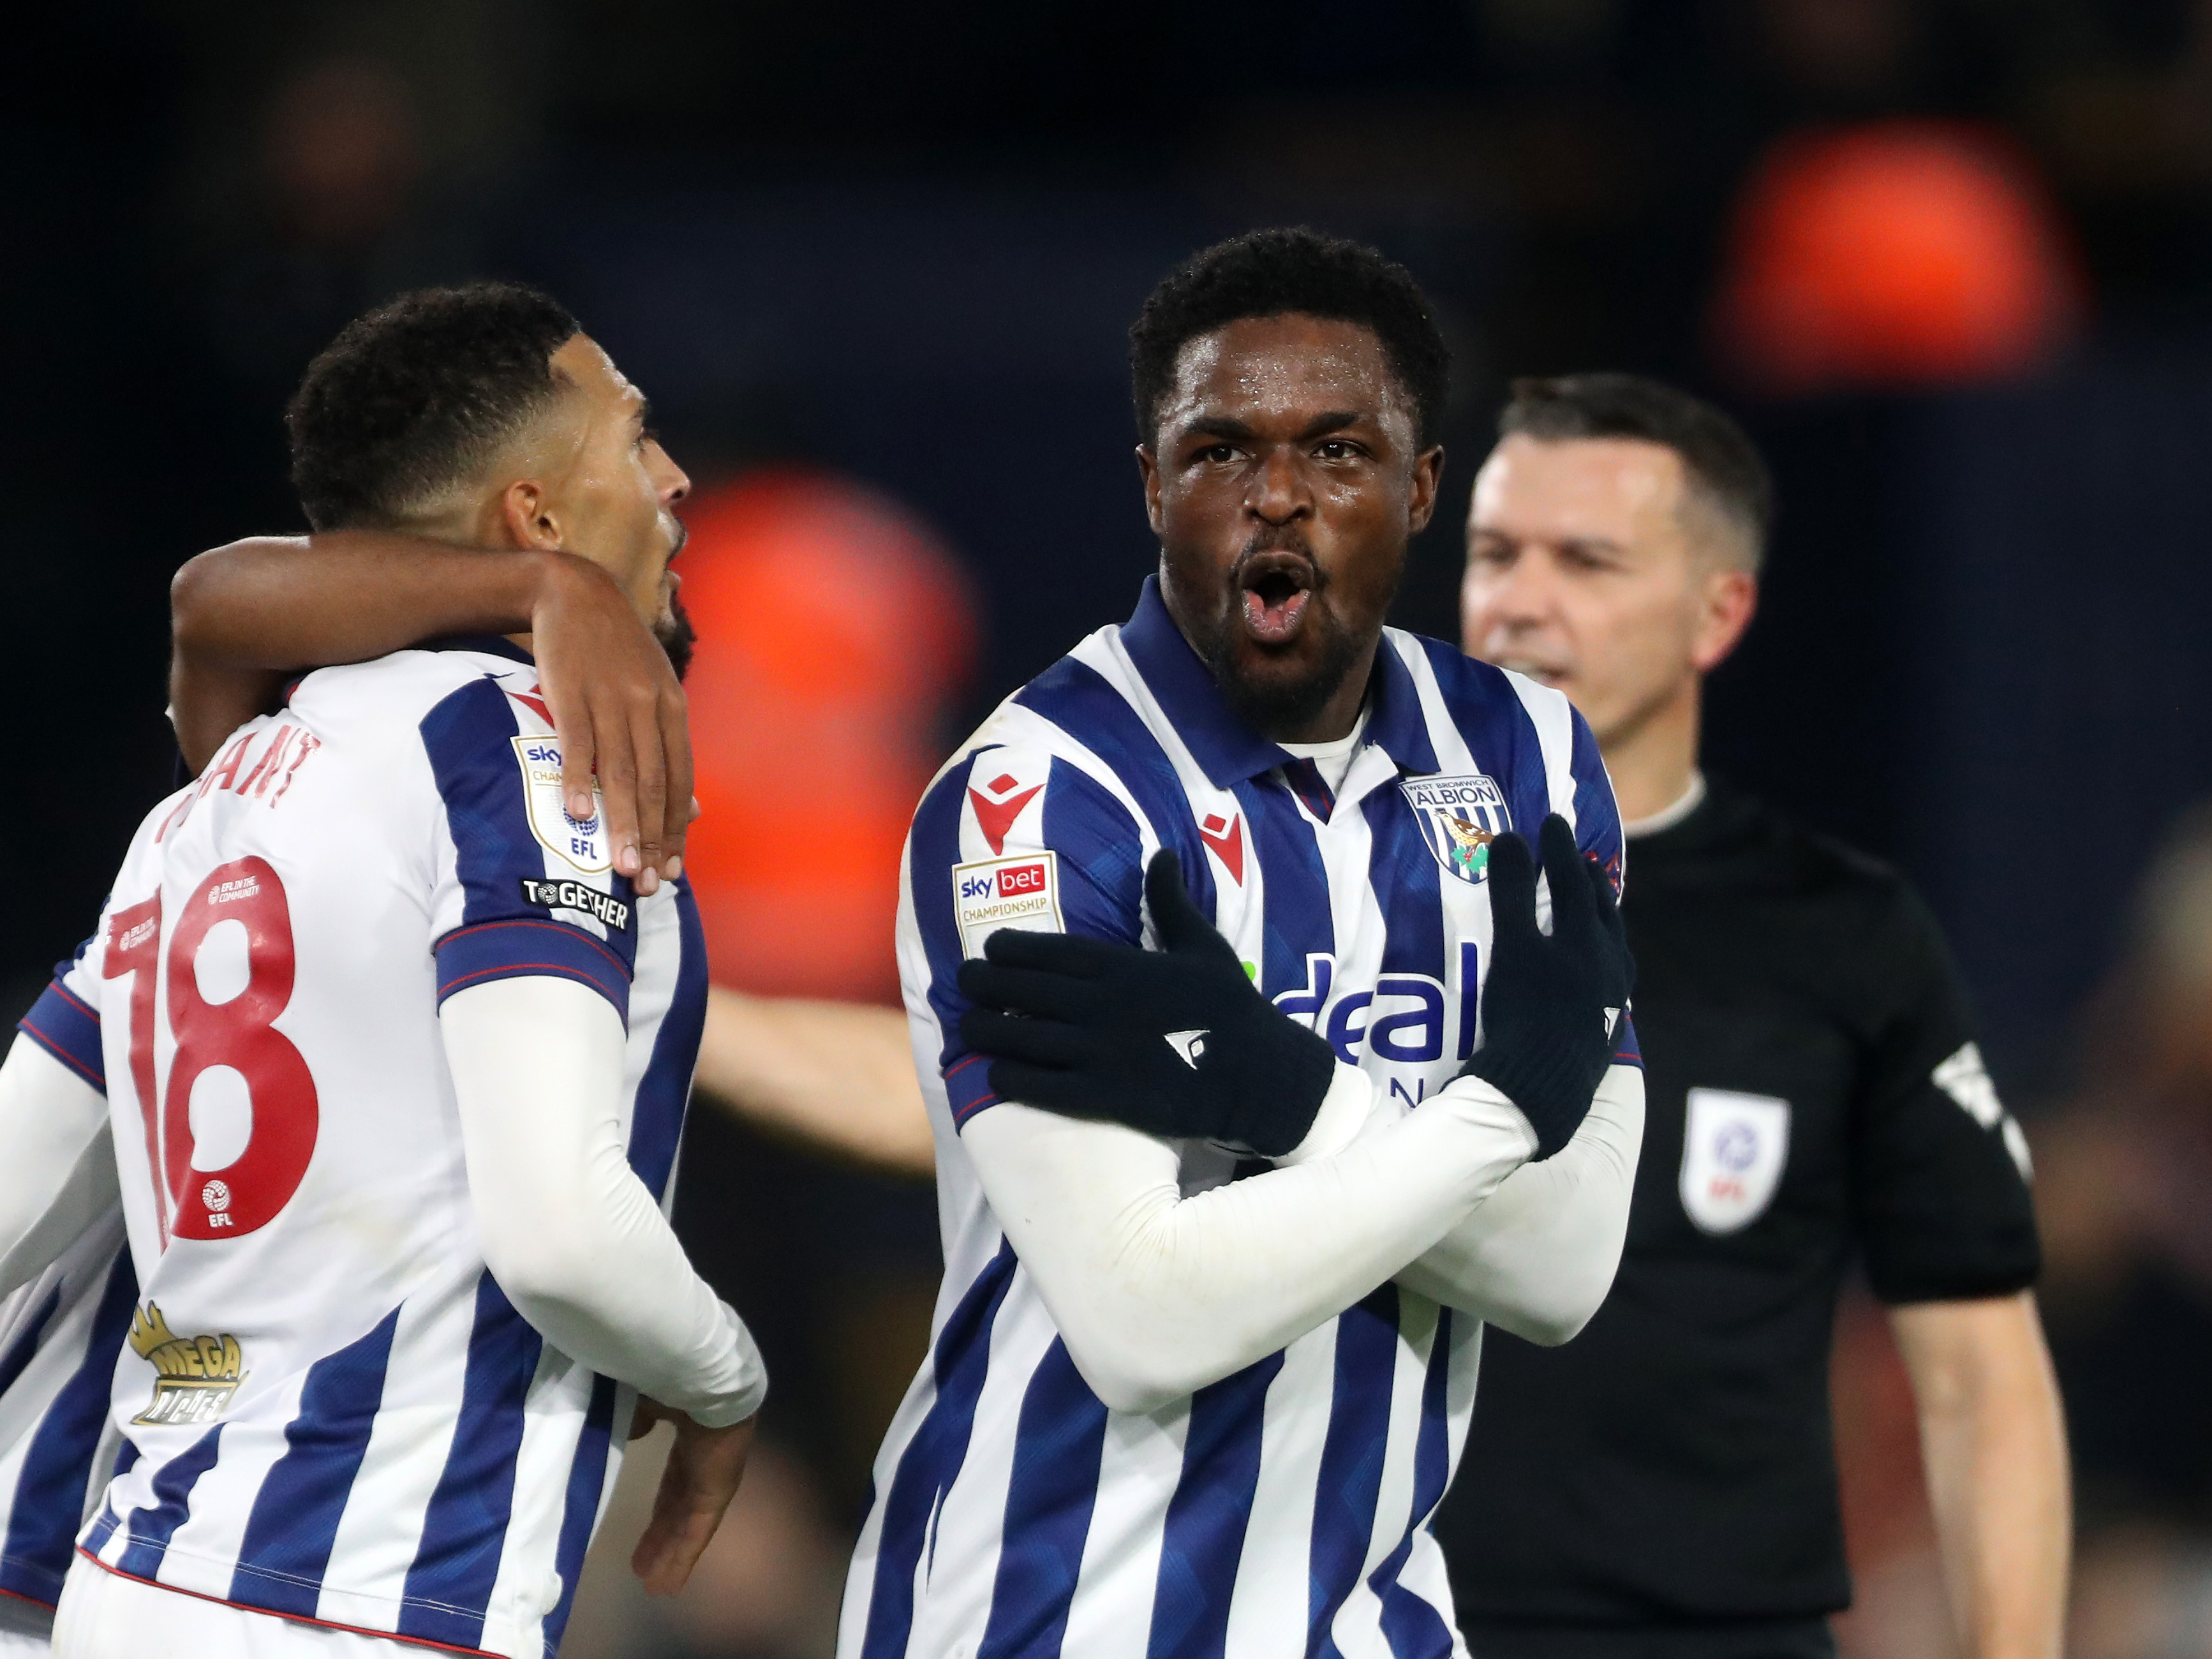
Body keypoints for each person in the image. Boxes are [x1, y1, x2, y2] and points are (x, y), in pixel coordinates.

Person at [839, 228, 1646, 1658]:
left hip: (1366, 1618)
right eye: (1218, 452)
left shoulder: (1525, 757)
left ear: (1420, 487)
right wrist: (1489, 1117)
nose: (1276, 498)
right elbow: (1138, 1317)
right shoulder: (1040, 800)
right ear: (1152, 487)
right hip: (1043, 1616)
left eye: (1335, 451)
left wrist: (1279, 1092)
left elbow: (1563, 1272)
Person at [0, 282, 769, 1657]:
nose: (674, 478)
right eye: (637, 435)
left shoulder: (214, 793)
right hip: (362, 1597)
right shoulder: (532, 763)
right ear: (535, 517)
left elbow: (9, 1195)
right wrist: (722, 1376)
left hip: (127, 1581)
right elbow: (563, 1238)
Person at [1437, 373, 2068, 1659]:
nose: (1518, 600)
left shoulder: (1839, 932)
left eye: (1586, 560)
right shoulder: (1321, 876)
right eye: (1494, 552)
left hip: (1717, 1635)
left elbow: (1975, 1367)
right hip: (1368, 1624)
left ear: (1715, 613)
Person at [166, 515, 935, 1180]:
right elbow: (213, 602)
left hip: (731, 952)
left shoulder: (671, 583)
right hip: (846, 936)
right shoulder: (861, 544)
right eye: (636, 444)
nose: (665, 479)